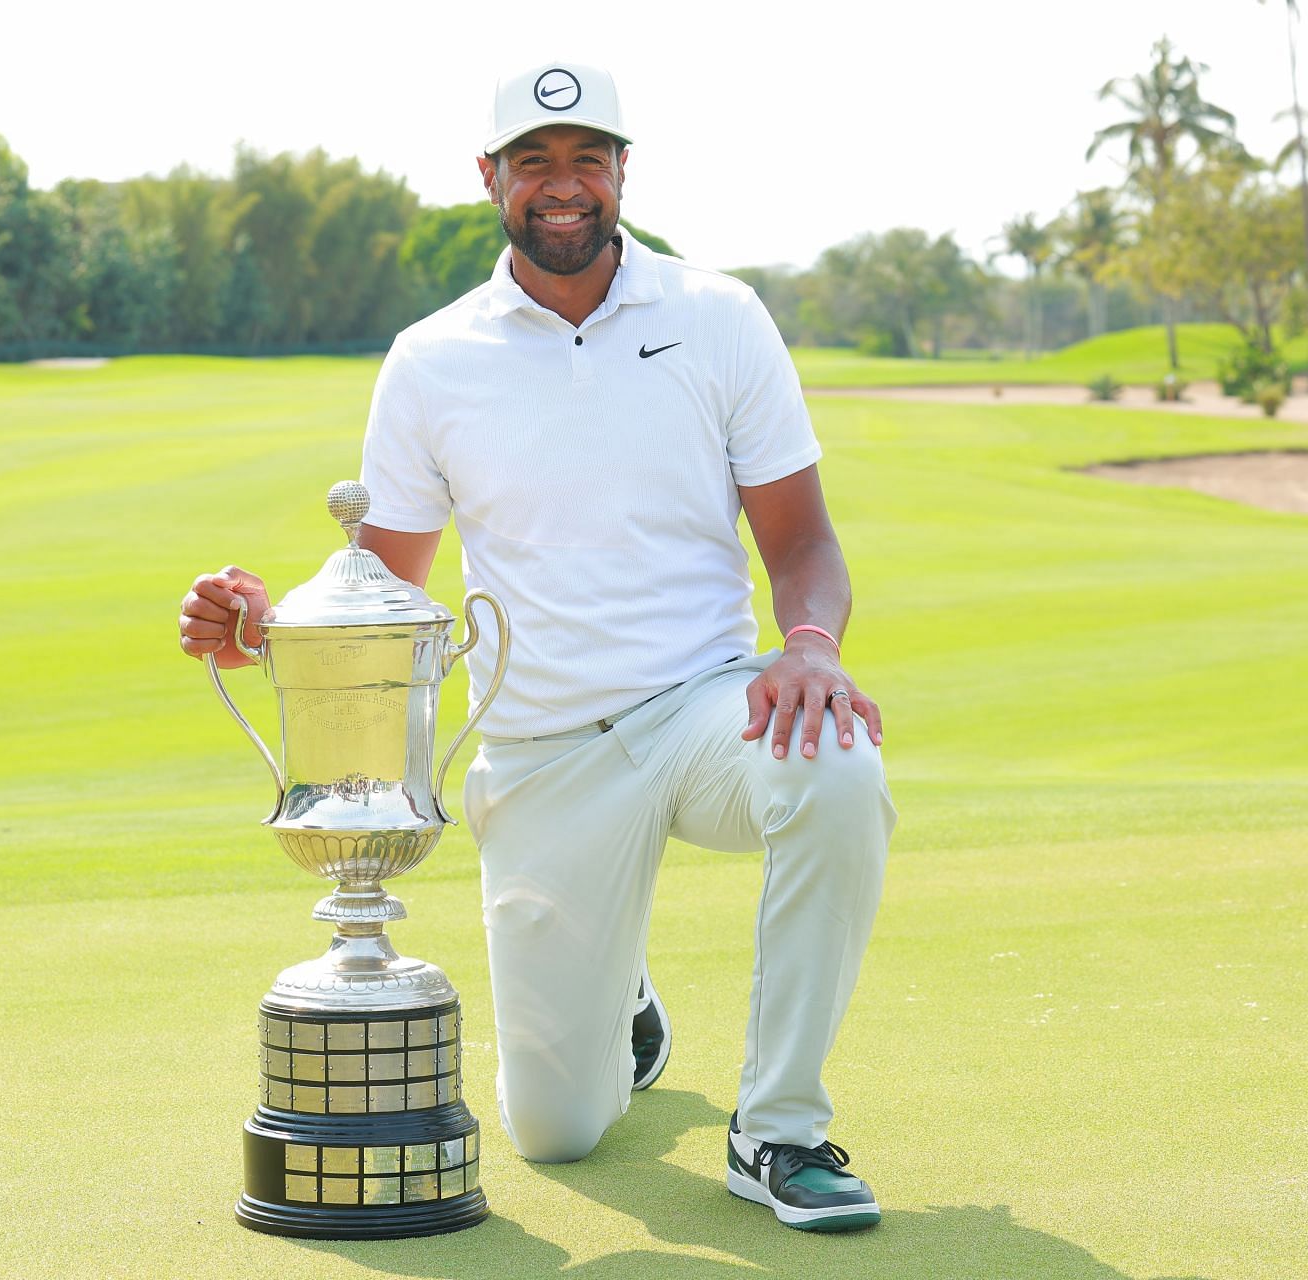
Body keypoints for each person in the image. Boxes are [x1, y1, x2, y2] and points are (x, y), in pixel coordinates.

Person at [180, 59, 897, 1233]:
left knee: (838, 767)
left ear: (623, 172)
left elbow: (803, 538)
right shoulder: (433, 356)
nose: (562, 185)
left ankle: (780, 1130)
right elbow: (390, 589)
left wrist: (809, 641)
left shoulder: (719, 317)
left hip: (708, 704)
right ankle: (625, 1001)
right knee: (558, 1129)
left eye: (586, 159)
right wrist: (270, 624)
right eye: (534, 162)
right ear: (490, 179)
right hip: (543, 746)